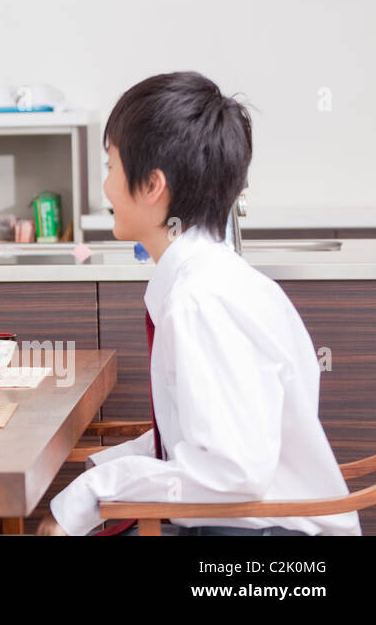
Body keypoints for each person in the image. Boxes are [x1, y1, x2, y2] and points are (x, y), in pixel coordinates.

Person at [40, 72, 359, 536]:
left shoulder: (201, 300)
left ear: (152, 185)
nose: (106, 188)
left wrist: (87, 496)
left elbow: (231, 470)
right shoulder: (215, 281)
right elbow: (204, 437)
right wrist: (103, 471)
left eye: (111, 167)